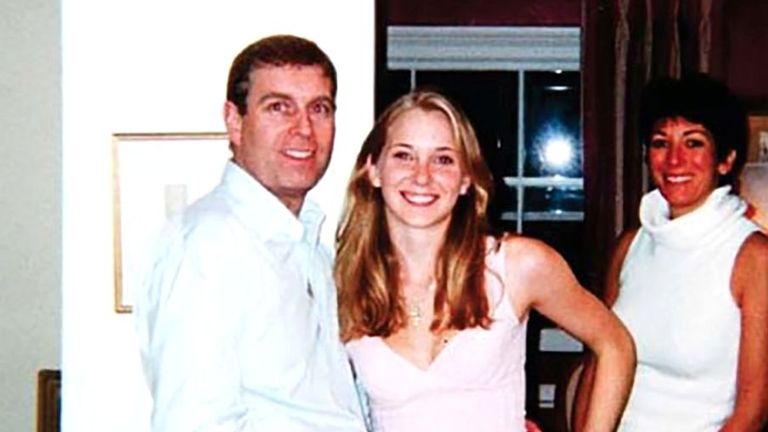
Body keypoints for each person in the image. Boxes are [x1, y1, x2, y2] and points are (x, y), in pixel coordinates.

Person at [335, 89, 636, 432]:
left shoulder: (516, 265)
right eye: (404, 155)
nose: (422, 175)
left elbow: (615, 344)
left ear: (465, 179)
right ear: (373, 170)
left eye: (443, 159)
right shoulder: (343, 285)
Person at [135, 35, 367, 431]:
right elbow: (192, 422)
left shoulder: (310, 246)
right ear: (234, 121)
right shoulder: (211, 246)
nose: (304, 130)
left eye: (319, 109)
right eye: (279, 107)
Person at [573, 74, 768, 431]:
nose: (674, 160)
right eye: (661, 143)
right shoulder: (629, 246)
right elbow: (597, 364)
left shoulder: (754, 257)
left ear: (725, 160)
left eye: (693, 143)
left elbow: (752, 410)